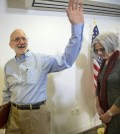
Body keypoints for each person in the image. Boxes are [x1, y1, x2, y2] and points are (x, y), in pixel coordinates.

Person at [2, 0, 84, 134]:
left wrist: (77, 27)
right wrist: (4, 113)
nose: (21, 41)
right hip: (13, 116)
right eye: (17, 39)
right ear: (11, 44)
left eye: (24, 38)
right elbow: (6, 92)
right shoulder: (8, 66)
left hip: (36, 116)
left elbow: (66, 60)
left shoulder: (42, 60)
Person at [93, 32, 120, 134]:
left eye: (102, 49)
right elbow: (99, 84)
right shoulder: (105, 61)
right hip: (107, 111)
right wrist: (98, 105)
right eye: (97, 50)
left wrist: (109, 114)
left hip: (116, 113)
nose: (99, 53)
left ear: (111, 45)